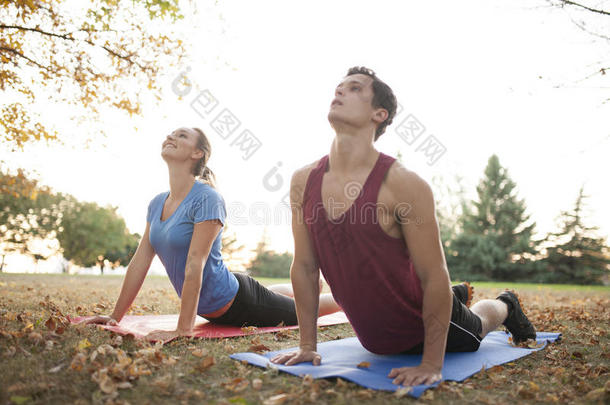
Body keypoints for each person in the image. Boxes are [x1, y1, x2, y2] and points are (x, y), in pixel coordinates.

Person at [270, 67, 536, 387]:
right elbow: (304, 265)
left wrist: (431, 363)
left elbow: (433, 274)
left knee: (477, 323)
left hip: (420, 328)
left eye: (354, 89)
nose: (339, 92)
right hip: (377, 338)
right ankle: (455, 297)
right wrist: (307, 346)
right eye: (339, 87)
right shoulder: (303, 179)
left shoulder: (404, 185)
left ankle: (507, 304)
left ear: (378, 114)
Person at [83, 127, 340, 341]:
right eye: (171, 134)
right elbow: (140, 262)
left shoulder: (207, 198)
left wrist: (183, 329)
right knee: (272, 296)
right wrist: (115, 316)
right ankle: (303, 289)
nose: (171, 137)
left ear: (198, 153)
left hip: (238, 302)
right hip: (224, 292)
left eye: (181, 136)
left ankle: (342, 295)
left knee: (309, 309)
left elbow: (196, 263)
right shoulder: (157, 203)